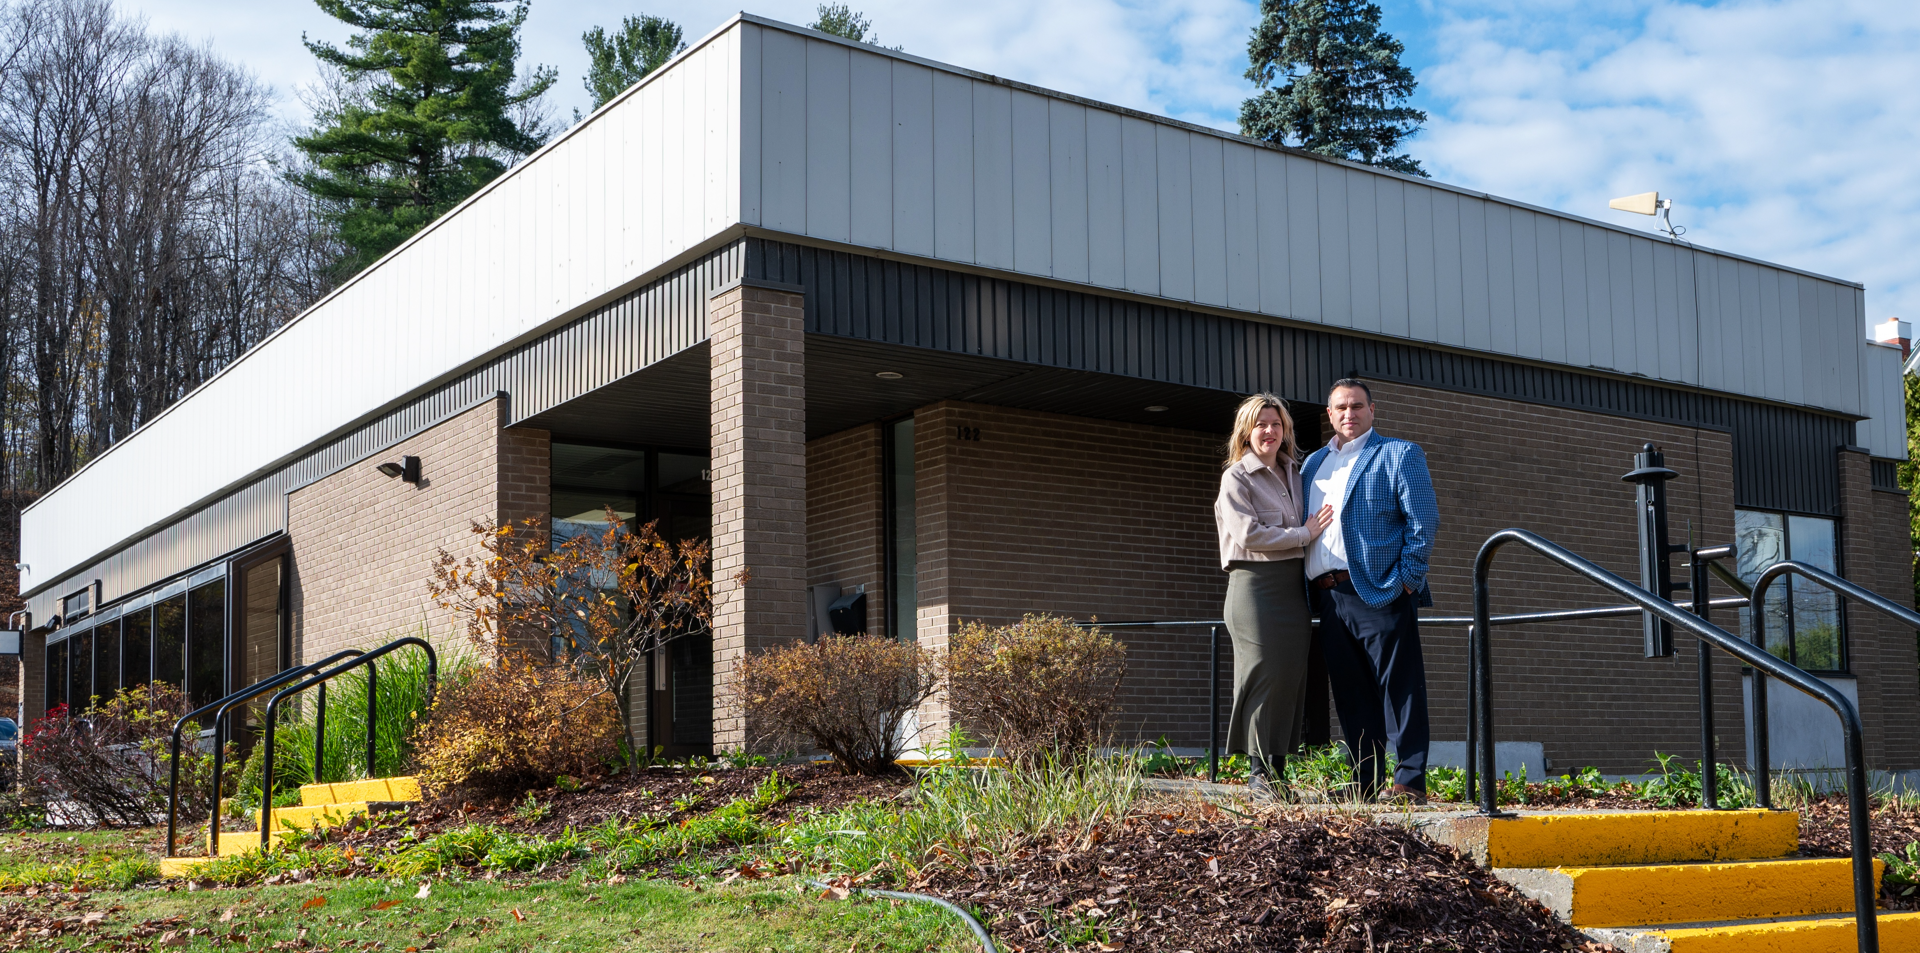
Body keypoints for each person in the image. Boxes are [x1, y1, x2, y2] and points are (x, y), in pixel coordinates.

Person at [1301, 379, 1438, 803]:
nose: (1350, 414)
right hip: (1328, 596)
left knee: (1400, 687)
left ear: (1372, 410)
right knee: (1351, 692)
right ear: (1329, 414)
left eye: (1357, 406)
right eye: (1341, 407)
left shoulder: (1399, 453)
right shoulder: (1312, 465)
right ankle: (1364, 781)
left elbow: (1423, 521)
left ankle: (1409, 780)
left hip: (1381, 591)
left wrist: (1407, 581)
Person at [1214, 393, 1334, 798]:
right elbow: (1248, 534)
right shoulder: (1237, 477)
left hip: (1292, 589)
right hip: (1254, 588)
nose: (1269, 431)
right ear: (1246, 432)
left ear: (1286, 431)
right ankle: (1258, 775)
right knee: (1262, 674)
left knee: (1288, 679)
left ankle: (1277, 773)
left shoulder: (1297, 473)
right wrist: (1303, 534)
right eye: (1261, 424)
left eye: (1276, 424)